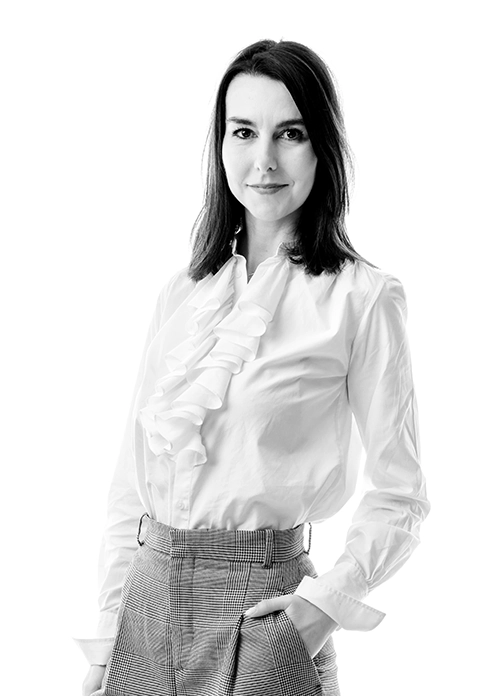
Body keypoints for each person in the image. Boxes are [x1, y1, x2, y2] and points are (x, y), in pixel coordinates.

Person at [77, 38, 430, 696]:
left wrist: (319, 611)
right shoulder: (183, 294)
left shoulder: (362, 298)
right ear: (221, 145)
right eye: (244, 131)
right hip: (143, 614)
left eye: (290, 134)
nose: (264, 160)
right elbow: (131, 485)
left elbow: (401, 494)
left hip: (263, 612)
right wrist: (107, 637)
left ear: (323, 147)